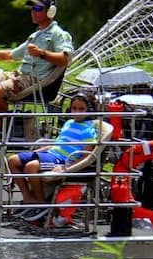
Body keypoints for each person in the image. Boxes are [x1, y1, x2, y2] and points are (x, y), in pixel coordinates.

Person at [0, 0, 74, 122]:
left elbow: (66, 58)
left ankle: (1, 127)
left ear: (50, 11)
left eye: (38, 9)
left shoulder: (58, 34)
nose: (33, 12)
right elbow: (10, 55)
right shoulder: (35, 35)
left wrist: (42, 53)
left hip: (34, 81)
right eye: (32, 8)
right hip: (19, 76)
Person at [6, 91, 98, 222]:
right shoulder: (69, 123)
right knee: (12, 160)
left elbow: (87, 157)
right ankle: (28, 198)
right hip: (51, 153)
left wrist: (66, 168)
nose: (76, 112)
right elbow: (57, 143)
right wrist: (39, 151)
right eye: (74, 108)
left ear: (89, 110)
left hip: (61, 160)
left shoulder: (89, 130)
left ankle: (41, 202)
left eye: (81, 109)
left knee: (31, 167)